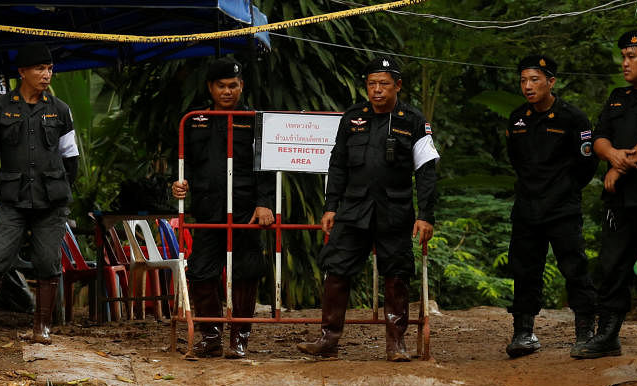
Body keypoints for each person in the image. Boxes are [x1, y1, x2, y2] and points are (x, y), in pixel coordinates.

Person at [297, 56, 438, 361]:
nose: (377, 91)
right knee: (336, 269)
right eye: (371, 84)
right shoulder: (352, 118)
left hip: (395, 209)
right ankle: (328, 339)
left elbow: (426, 171)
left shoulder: (412, 120)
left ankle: (396, 343)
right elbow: (337, 165)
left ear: (397, 85)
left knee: (397, 273)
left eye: (384, 84)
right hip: (354, 208)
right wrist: (330, 206)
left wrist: (426, 214)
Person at [0, 42, 78, 343]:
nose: (46, 74)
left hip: (51, 203)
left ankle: (42, 328)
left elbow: (71, 159)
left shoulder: (60, 110)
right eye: (39, 68)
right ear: (22, 72)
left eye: (49, 68)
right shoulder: (0, 108)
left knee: (47, 262)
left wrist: (61, 192)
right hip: (13, 201)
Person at [172, 58, 274, 359]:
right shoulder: (194, 120)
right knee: (201, 270)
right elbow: (183, 160)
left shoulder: (254, 120)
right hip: (207, 207)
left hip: (245, 208)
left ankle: (240, 338)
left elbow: (264, 166)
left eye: (233, 86)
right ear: (210, 88)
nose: (227, 91)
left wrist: (264, 202)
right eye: (221, 86)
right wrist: (179, 182)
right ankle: (211, 336)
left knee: (246, 271)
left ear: (241, 86)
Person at [575, 29, 637, 359]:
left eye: (632, 57)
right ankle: (608, 334)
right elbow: (599, 137)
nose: (624, 63)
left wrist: (619, 164)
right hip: (618, 200)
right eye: (623, 57)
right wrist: (612, 156)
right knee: (612, 265)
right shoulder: (617, 96)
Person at [503, 54, 598, 358]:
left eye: (534, 80)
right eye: (523, 80)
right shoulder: (517, 118)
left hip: (561, 208)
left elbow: (586, 164)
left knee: (574, 267)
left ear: (551, 82)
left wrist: (565, 191)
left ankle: (585, 332)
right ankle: (523, 331)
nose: (528, 86)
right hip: (527, 207)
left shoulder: (574, 118)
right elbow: (515, 160)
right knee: (524, 269)